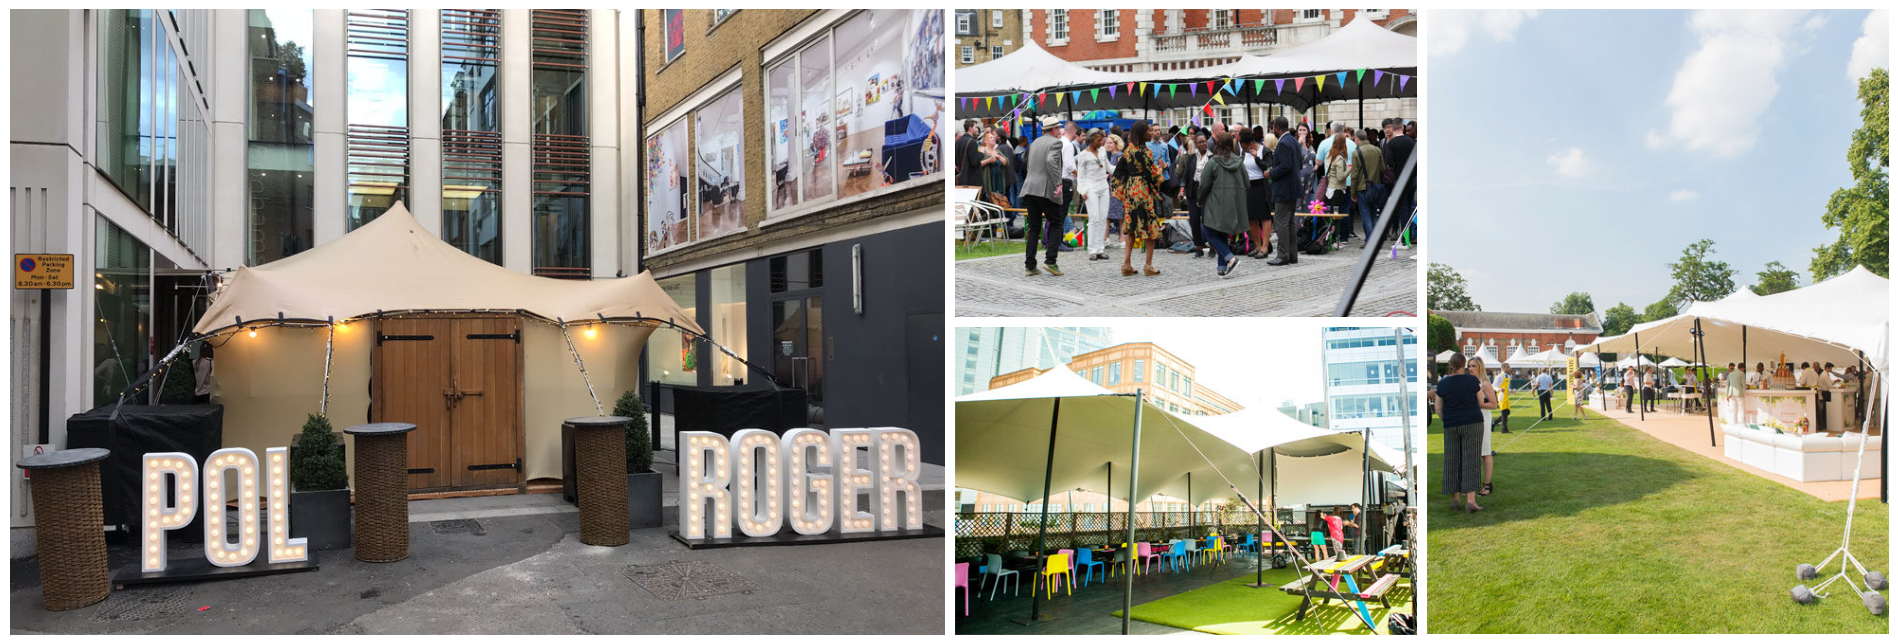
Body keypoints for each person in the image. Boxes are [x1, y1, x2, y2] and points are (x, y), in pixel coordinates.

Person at [1437, 353, 1493, 513]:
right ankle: (1471, 501)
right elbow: (1480, 402)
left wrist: (1446, 419)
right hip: (1472, 422)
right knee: (1472, 460)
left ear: (1450, 365)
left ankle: (1455, 499)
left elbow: (1438, 408)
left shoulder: (1443, 383)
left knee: (1452, 460)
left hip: (1451, 424)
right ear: (1463, 365)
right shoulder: (1472, 381)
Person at [1111, 121, 1166, 277]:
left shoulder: (1128, 151)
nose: (1151, 133)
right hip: (1143, 192)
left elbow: (1117, 175)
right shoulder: (1145, 152)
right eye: (1149, 131)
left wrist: (1122, 193)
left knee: (1131, 228)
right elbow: (1153, 175)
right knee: (1150, 229)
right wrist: (1160, 170)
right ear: (1143, 134)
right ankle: (1148, 266)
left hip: (1131, 192)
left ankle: (1126, 264)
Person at [1017, 116, 1067, 277]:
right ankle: (1051, 261)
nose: (1060, 131)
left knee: (1034, 227)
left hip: (1030, 188)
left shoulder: (1034, 143)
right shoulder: (1055, 142)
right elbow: (1051, 162)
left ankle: (1030, 266)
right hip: (1045, 189)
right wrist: (1058, 183)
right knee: (1056, 223)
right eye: (1058, 128)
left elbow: (1027, 165)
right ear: (1053, 130)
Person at [1195, 132, 1248, 278]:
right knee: (1222, 232)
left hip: (1215, 202)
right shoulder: (1239, 162)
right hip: (1233, 203)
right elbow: (1247, 183)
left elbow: (1204, 185)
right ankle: (1222, 267)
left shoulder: (1212, 162)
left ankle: (1231, 259)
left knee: (1209, 233)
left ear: (1218, 144)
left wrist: (1199, 200)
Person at [1265, 117, 1302, 266]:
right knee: (1290, 223)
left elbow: (1286, 166)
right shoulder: (1293, 141)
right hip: (1292, 187)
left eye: (1273, 128)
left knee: (1281, 223)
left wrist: (1271, 173)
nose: (1273, 131)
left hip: (1284, 189)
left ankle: (1283, 255)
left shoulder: (1283, 143)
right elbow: (1294, 165)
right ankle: (1292, 255)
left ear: (1277, 128)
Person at [1075, 131, 1112, 261]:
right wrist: (1083, 191)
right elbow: (1081, 174)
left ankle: (1100, 248)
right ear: (1091, 140)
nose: (1101, 142)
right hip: (1091, 188)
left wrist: (1120, 169)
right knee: (1094, 218)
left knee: (1103, 218)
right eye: (1098, 140)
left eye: (1102, 140)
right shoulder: (1083, 155)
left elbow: (1107, 166)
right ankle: (1092, 250)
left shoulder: (1102, 151)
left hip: (1104, 187)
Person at [1381, 118, 1416, 248]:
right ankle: (1409, 237)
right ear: (1402, 127)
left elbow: (1389, 162)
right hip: (1412, 179)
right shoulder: (1412, 142)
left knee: (1403, 210)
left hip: (1400, 179)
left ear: (1394, 129)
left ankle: (1405, 241)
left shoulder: (1392, 143)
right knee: (1410, 207)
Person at [1240, 128, 1274, 259]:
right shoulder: (1243, 153)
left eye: (1245, 147)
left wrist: (1256, 158)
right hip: (1249, 186)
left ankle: (1265, 247)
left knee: (1265, 217)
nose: (1244, 149)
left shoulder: (1264, 151)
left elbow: (1268, 169)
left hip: (1262, 186)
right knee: (1251, 218)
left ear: (1251, 143)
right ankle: (1257, 246)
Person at [1349, 128, 1385, 247]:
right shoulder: (1377, 150)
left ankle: (1370, 242)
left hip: (1361, 188)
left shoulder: (1356, 153)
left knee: (1365, 216)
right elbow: (1382, 169)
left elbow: (1354, 175)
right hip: (1375, 187)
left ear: (1357, 139)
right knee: (1374, 214)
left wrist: (1352, 193)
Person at [1176, 134, 1206, 258]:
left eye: (1204, 141)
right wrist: (1182, 190)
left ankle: (1214, 247)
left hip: (1207, 193)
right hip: (1192, 193)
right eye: (1199, 142)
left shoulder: (1212, 157)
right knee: (1194, 220)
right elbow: (1185, 176)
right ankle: (1199, 247)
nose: (1202, 144)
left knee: (1207, 221)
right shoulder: (1192, 158)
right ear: (1196, 145)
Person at [977, 130, 1008, 204]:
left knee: (1000, 201)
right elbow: (977, 164)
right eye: (991, 138)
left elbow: (1006, 162)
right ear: (986, 141)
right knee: (990, 201)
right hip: (989, 181)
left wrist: (997, 156)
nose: (993, 138)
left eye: (993, 137)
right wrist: (988, 160)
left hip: (999, 181)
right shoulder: (981, 151)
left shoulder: (997, 151)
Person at [1492, 364, 1513, 433]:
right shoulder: (1499, 376)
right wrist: (1499, 389)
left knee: (1507, 412)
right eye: (1508, 367)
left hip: (1506, 396)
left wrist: (1511, 390)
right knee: (1504, 412)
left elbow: (1507, 387)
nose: (1509, 368)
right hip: (1501, 396)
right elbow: (1493, 386)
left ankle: (1494, 423)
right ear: (1503, 368)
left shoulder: (1508, 376)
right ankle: (1504, 429)